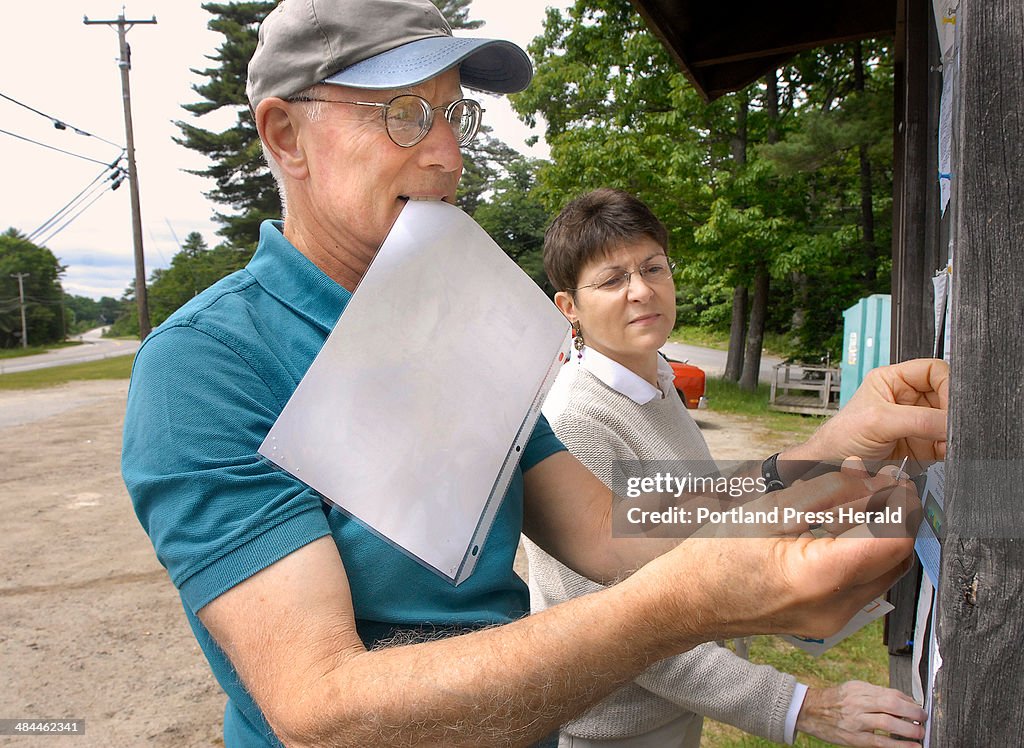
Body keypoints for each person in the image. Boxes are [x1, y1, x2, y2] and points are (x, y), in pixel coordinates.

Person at [120, 1, 948, 745]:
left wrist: (815, 458)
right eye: (405, 114)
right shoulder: (205, 364)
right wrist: (685, 604)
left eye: (455, 113)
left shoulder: (454, 315)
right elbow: (323, 708)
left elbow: (609, 524)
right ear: (285, 136)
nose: (449, 155)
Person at [524, 188, 927, 747]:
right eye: (613, 279)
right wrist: (799, 706)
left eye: (652, 268)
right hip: (613, 730)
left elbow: (705, 511)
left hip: (680, 711)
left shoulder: (660, 385)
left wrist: (823, 503)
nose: (641, 290)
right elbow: (619, 625)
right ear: (569, 307)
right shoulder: (576, 417)